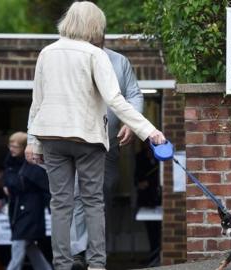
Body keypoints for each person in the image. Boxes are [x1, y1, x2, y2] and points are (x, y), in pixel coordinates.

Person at [25, 2, 166, 270]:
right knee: (92, 201)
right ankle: (97, 264)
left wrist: (33, 141)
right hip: (87, 139)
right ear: (95, 26)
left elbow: (37, 101)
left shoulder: (47, 53)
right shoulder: (95, 54)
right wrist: (148, 130)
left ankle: (62, 264)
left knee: (60, 204)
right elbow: (115, 99)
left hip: (52, 138)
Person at [70, 44, 144, 269]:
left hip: (109, 145)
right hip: (77, 141)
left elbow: (134, 94)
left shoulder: (119, 61)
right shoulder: (68, 57)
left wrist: (132, 122)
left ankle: (94, 250)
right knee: (79, 192)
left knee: (102, 195)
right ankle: (79, 251)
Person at [3, 132, 51, 270]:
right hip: (17, 210)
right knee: (29, 246)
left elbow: (45, 188)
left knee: (19, 244)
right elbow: (9, 182)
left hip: (31, 211)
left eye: (16, 146)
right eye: (10, 145)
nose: (12, 149)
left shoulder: (34, 166)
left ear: (24, 148)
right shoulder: (10, 163)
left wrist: (52, 209)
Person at [134, 142, 162, 267]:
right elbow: (136, 176)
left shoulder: (160, 157)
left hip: (158, 198)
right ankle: (153, 256)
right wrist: (139, 183)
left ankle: (156, 257)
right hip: (145, 198)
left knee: (159, 230)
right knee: (150, 231)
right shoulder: (139, 157)